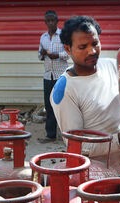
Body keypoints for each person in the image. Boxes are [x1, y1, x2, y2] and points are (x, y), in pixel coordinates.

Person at [50, 15, 120, 174]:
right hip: (91, 177)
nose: (92, 51)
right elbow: (76, 144)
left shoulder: (112, 66)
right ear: (68, 49)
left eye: (95, 43)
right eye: (83, 47)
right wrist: (119, 139)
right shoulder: (65, 89)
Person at [38, 10, 69, 144]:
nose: (50, 23)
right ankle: (50, 135)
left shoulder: (63, 35)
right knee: (49, 105)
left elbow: (68, 53)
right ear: (45, 22)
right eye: (48, 21)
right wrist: (43, 53)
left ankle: (66, 135)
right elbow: (39, 56)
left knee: (63, 105)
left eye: (53, 20)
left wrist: (56, 55)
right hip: (48, 76)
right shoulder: (43, 37)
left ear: (57, 21)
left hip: (61, 76)